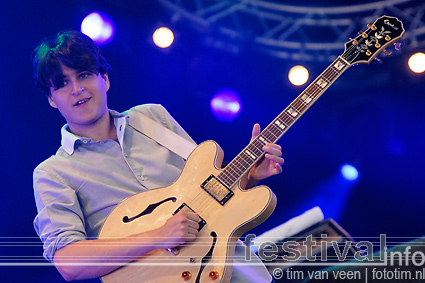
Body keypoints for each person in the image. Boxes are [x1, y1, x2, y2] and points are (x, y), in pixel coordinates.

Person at [32, 30, 284, 282]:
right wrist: (160, 236)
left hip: (229, 267)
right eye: (62, 83)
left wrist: (248, 177)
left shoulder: (153, 117)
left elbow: (210, 197)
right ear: (51, 99)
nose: (76, 88)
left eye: (84, 75)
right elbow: (68, 262)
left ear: (105, 79)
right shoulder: (53, 173)